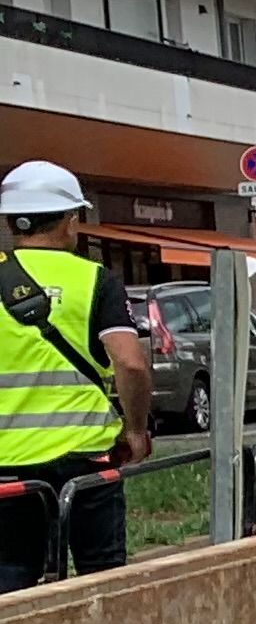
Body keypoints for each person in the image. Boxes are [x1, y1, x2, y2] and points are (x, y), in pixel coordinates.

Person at [0, 162, 152, 593]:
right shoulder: (95, 280)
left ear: (13, 222)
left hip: (7, 467)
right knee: (102, 581)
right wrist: (136, 430)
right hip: (86, 462)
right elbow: (131, 363)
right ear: (70, 221)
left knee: (11, 583)